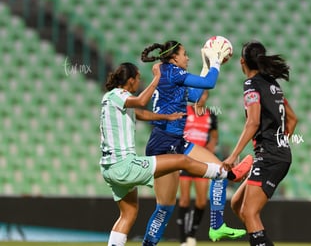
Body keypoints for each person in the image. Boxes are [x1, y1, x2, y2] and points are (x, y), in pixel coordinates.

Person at [100, 62, 253, 246]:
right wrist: (156, 77)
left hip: (110, 168)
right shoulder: (120, 94)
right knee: (182, 161)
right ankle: (226, 173)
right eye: (139, 78)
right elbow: (141, 101)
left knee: (128, 213)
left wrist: (165, 117)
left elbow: (140, 113)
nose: (140, 81)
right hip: (125, 165)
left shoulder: (109, 99)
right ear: (130, 80)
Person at [140, 40, 252, 246]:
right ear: (174, 58)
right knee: (165, 207)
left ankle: (217, 226)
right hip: (163, 144)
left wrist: (205, 67)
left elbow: (197, 95)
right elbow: (209, 84)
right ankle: (148, 244)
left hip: (177, 142)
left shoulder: (171, 74)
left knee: (220, 170)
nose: (187, 57)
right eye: (184, 54)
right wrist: (216, 62)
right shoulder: (172, 72)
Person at [222, 41, 298, 246]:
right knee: (238, 205)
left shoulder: (251, 84)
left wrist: (232, 155)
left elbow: (253, 122)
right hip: (275, 155)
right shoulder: (273, 84)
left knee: (249, 211)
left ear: (242, 62)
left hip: (270, 157)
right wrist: (280, 143)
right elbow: (292, 119)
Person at [176, 90, 218, 246]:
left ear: (207, 96)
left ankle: (192, 233)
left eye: (204, 94)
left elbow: (214, 135)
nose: (201, 98)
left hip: (202, 162)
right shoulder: (184, 112)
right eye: (199, 94)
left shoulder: (211, 115)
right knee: (184, 199)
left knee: (201, 201)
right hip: (185, 159)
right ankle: (183, 239)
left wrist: (210, 148)